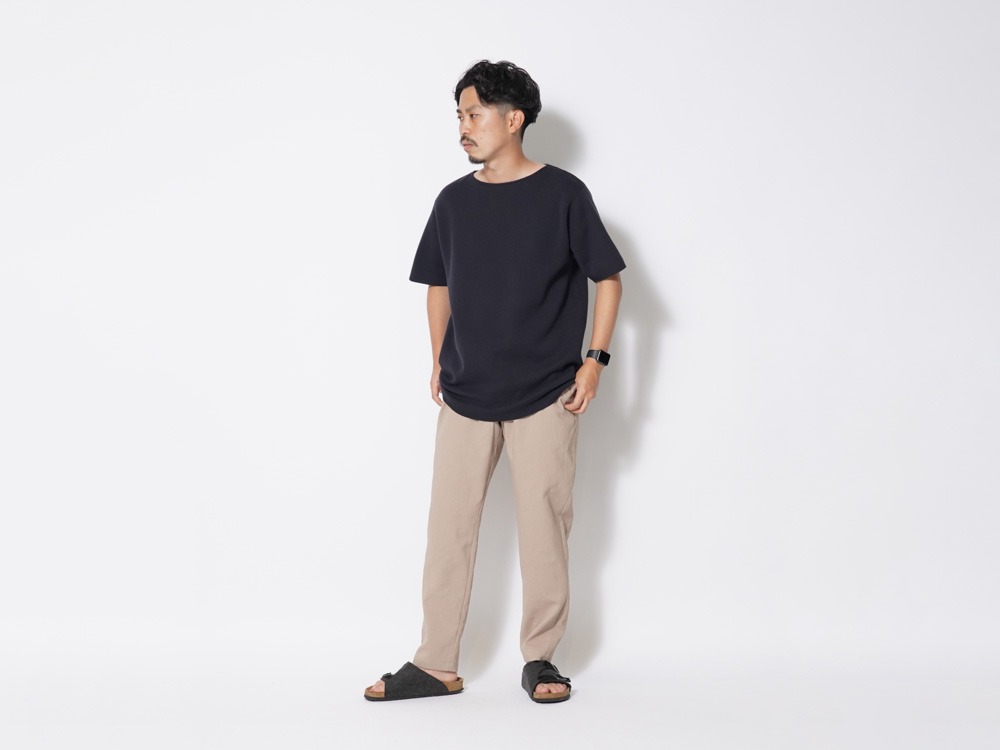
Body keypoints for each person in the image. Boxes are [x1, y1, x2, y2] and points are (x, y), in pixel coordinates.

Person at [364, 59, 625, 704]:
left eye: (474, 113)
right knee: (448, 529)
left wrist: (594, 361)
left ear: (514, 120)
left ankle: (542, 659)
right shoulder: (453, 201)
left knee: (544, 529)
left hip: (547, 392)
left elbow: (608, 277)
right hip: (465, 392)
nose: (463, 126)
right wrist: (437, 359)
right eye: (459, 115)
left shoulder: (564, 193)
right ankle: (436, 664)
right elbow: (437, 284)